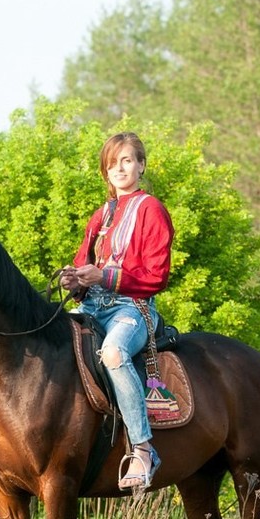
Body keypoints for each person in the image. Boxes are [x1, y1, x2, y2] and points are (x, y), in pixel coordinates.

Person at [61, 132, 174, 490]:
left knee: (112, 353)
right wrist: (75, 279)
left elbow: (156, 275)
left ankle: (143, 450)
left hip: (133, 308)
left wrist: (105, 276)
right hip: (93, 306)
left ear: (141, 166)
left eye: (127, 160)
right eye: (112, 163)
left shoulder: (151, 209)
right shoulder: (102, 214)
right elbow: (85, 262)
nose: (119, 168)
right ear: (105, 172)